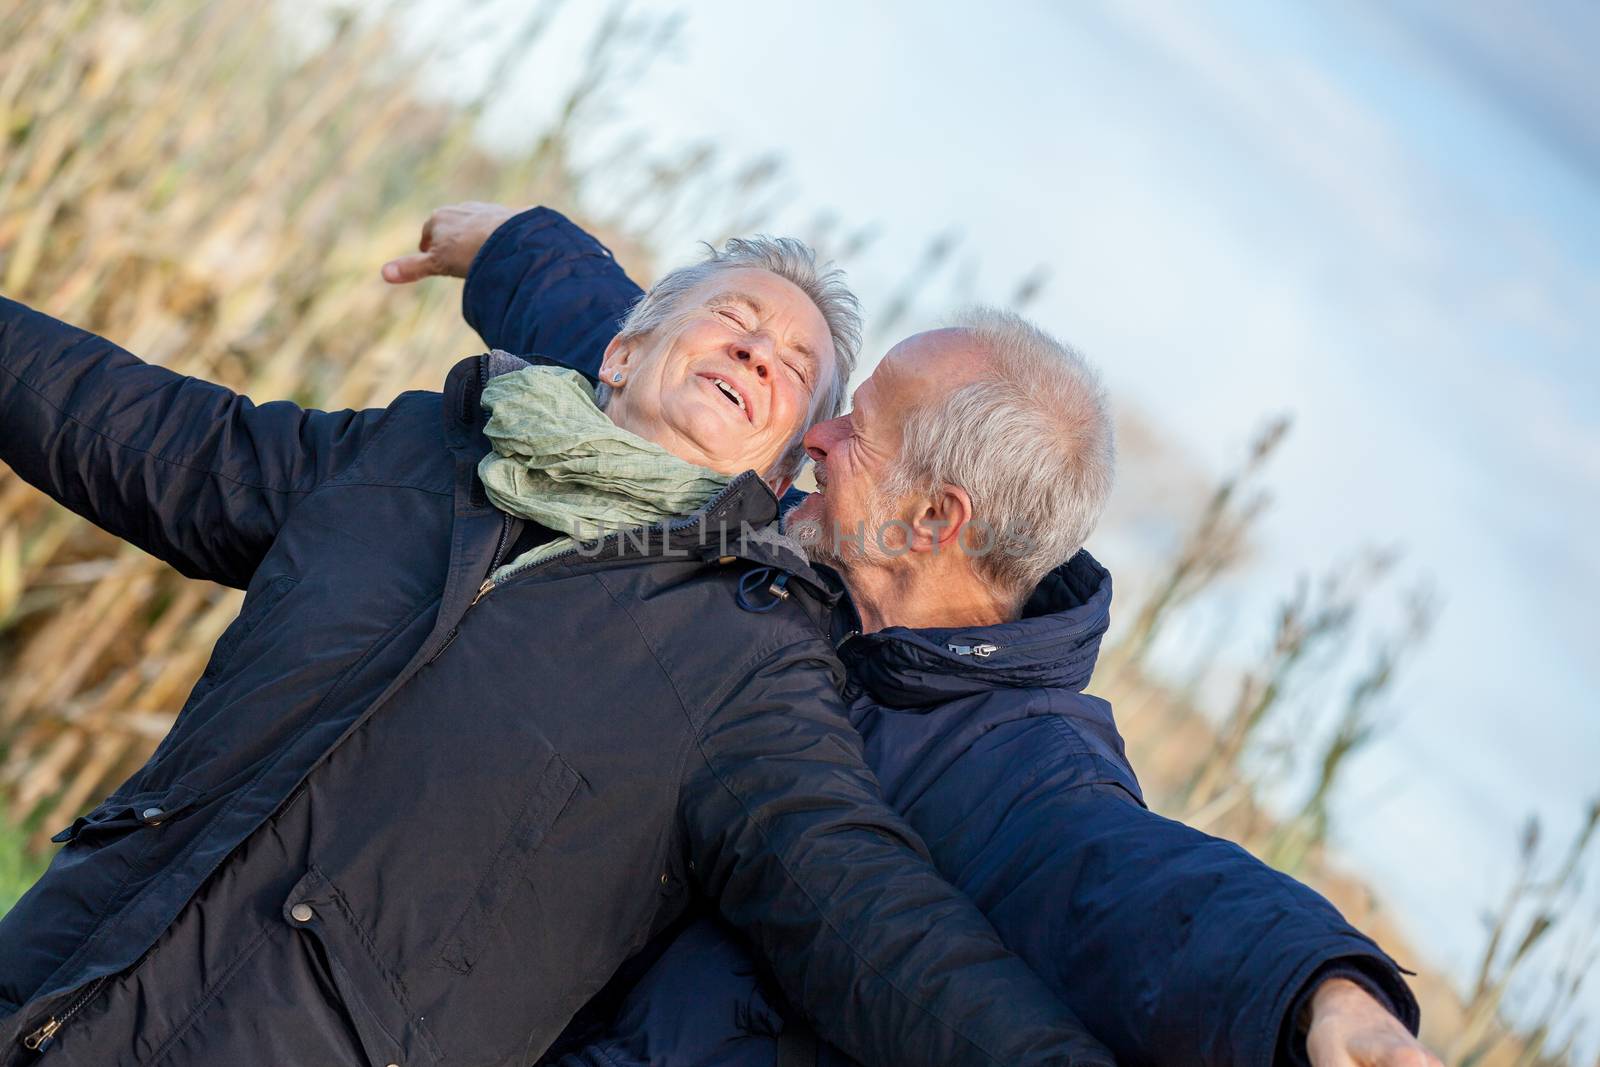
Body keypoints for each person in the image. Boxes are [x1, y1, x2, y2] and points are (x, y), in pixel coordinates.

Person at [0, 230, 1114, 1066]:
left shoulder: (752, 671)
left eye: (795, 366)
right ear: (625, 351)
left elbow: (870, 916)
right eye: (734, 316)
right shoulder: (408, 457)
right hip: (52, 976)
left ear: (782, 474)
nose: (756, 349)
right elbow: (148, 431)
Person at [388, 202, 1445, 1067]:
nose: (814, 432)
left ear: (934, 517)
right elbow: (681, 380)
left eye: (859, 427)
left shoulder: (1021, 769)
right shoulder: (808, 545)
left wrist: (1321, 990)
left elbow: (1137, 885)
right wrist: (513, 249)